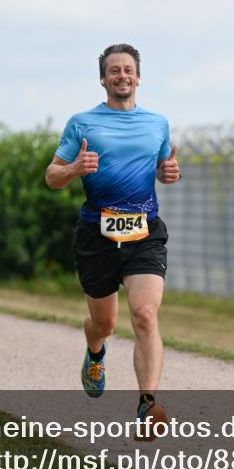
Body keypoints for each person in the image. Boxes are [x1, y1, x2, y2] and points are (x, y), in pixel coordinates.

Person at [46, 43, 181, 437]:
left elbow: (161, 167)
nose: (122, 75)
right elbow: (51, 177)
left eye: (128, 69)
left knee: (145, 314)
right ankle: (95, 352)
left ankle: (147, 405)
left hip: (144, 231)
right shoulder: (82, 122)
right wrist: (73, 168)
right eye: (114, 70)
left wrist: (169, 172)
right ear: (102, 79)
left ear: (139, 76)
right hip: (97, 234)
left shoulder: (157, 123)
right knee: (104, 323)